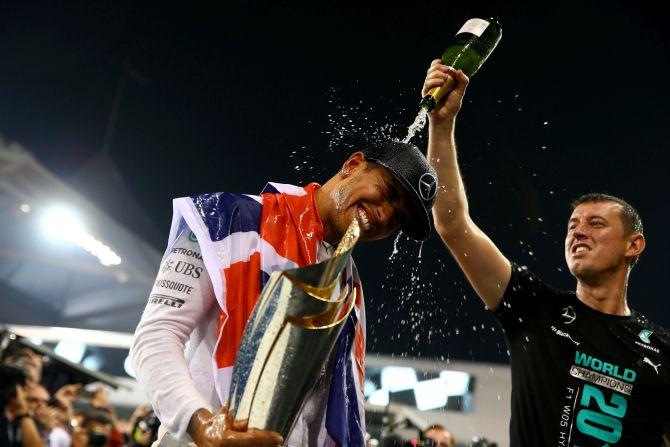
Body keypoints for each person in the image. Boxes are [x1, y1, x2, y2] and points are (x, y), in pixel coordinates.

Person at [423, 58, 670, 446]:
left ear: (633, 246)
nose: (578, 234)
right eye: (572, 226)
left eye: (596, 224)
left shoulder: (663, 352)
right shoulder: (534, 309)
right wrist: (441, 123)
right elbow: (452, 224)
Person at [130, 143, 439, 447]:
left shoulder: (348, 289)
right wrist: (200, 426)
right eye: (389, 193)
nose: (384, 216)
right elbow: (156, 336)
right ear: (353, 165)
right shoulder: (226, 218)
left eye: (397, 219)